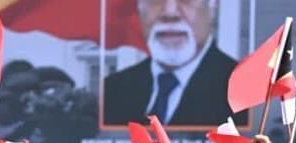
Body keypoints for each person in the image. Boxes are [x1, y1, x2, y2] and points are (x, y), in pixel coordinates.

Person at [102, 0, 238, 127]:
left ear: (213, 7)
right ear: (139, 9)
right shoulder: (112, 91)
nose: (170, 13)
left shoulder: (239, 90)